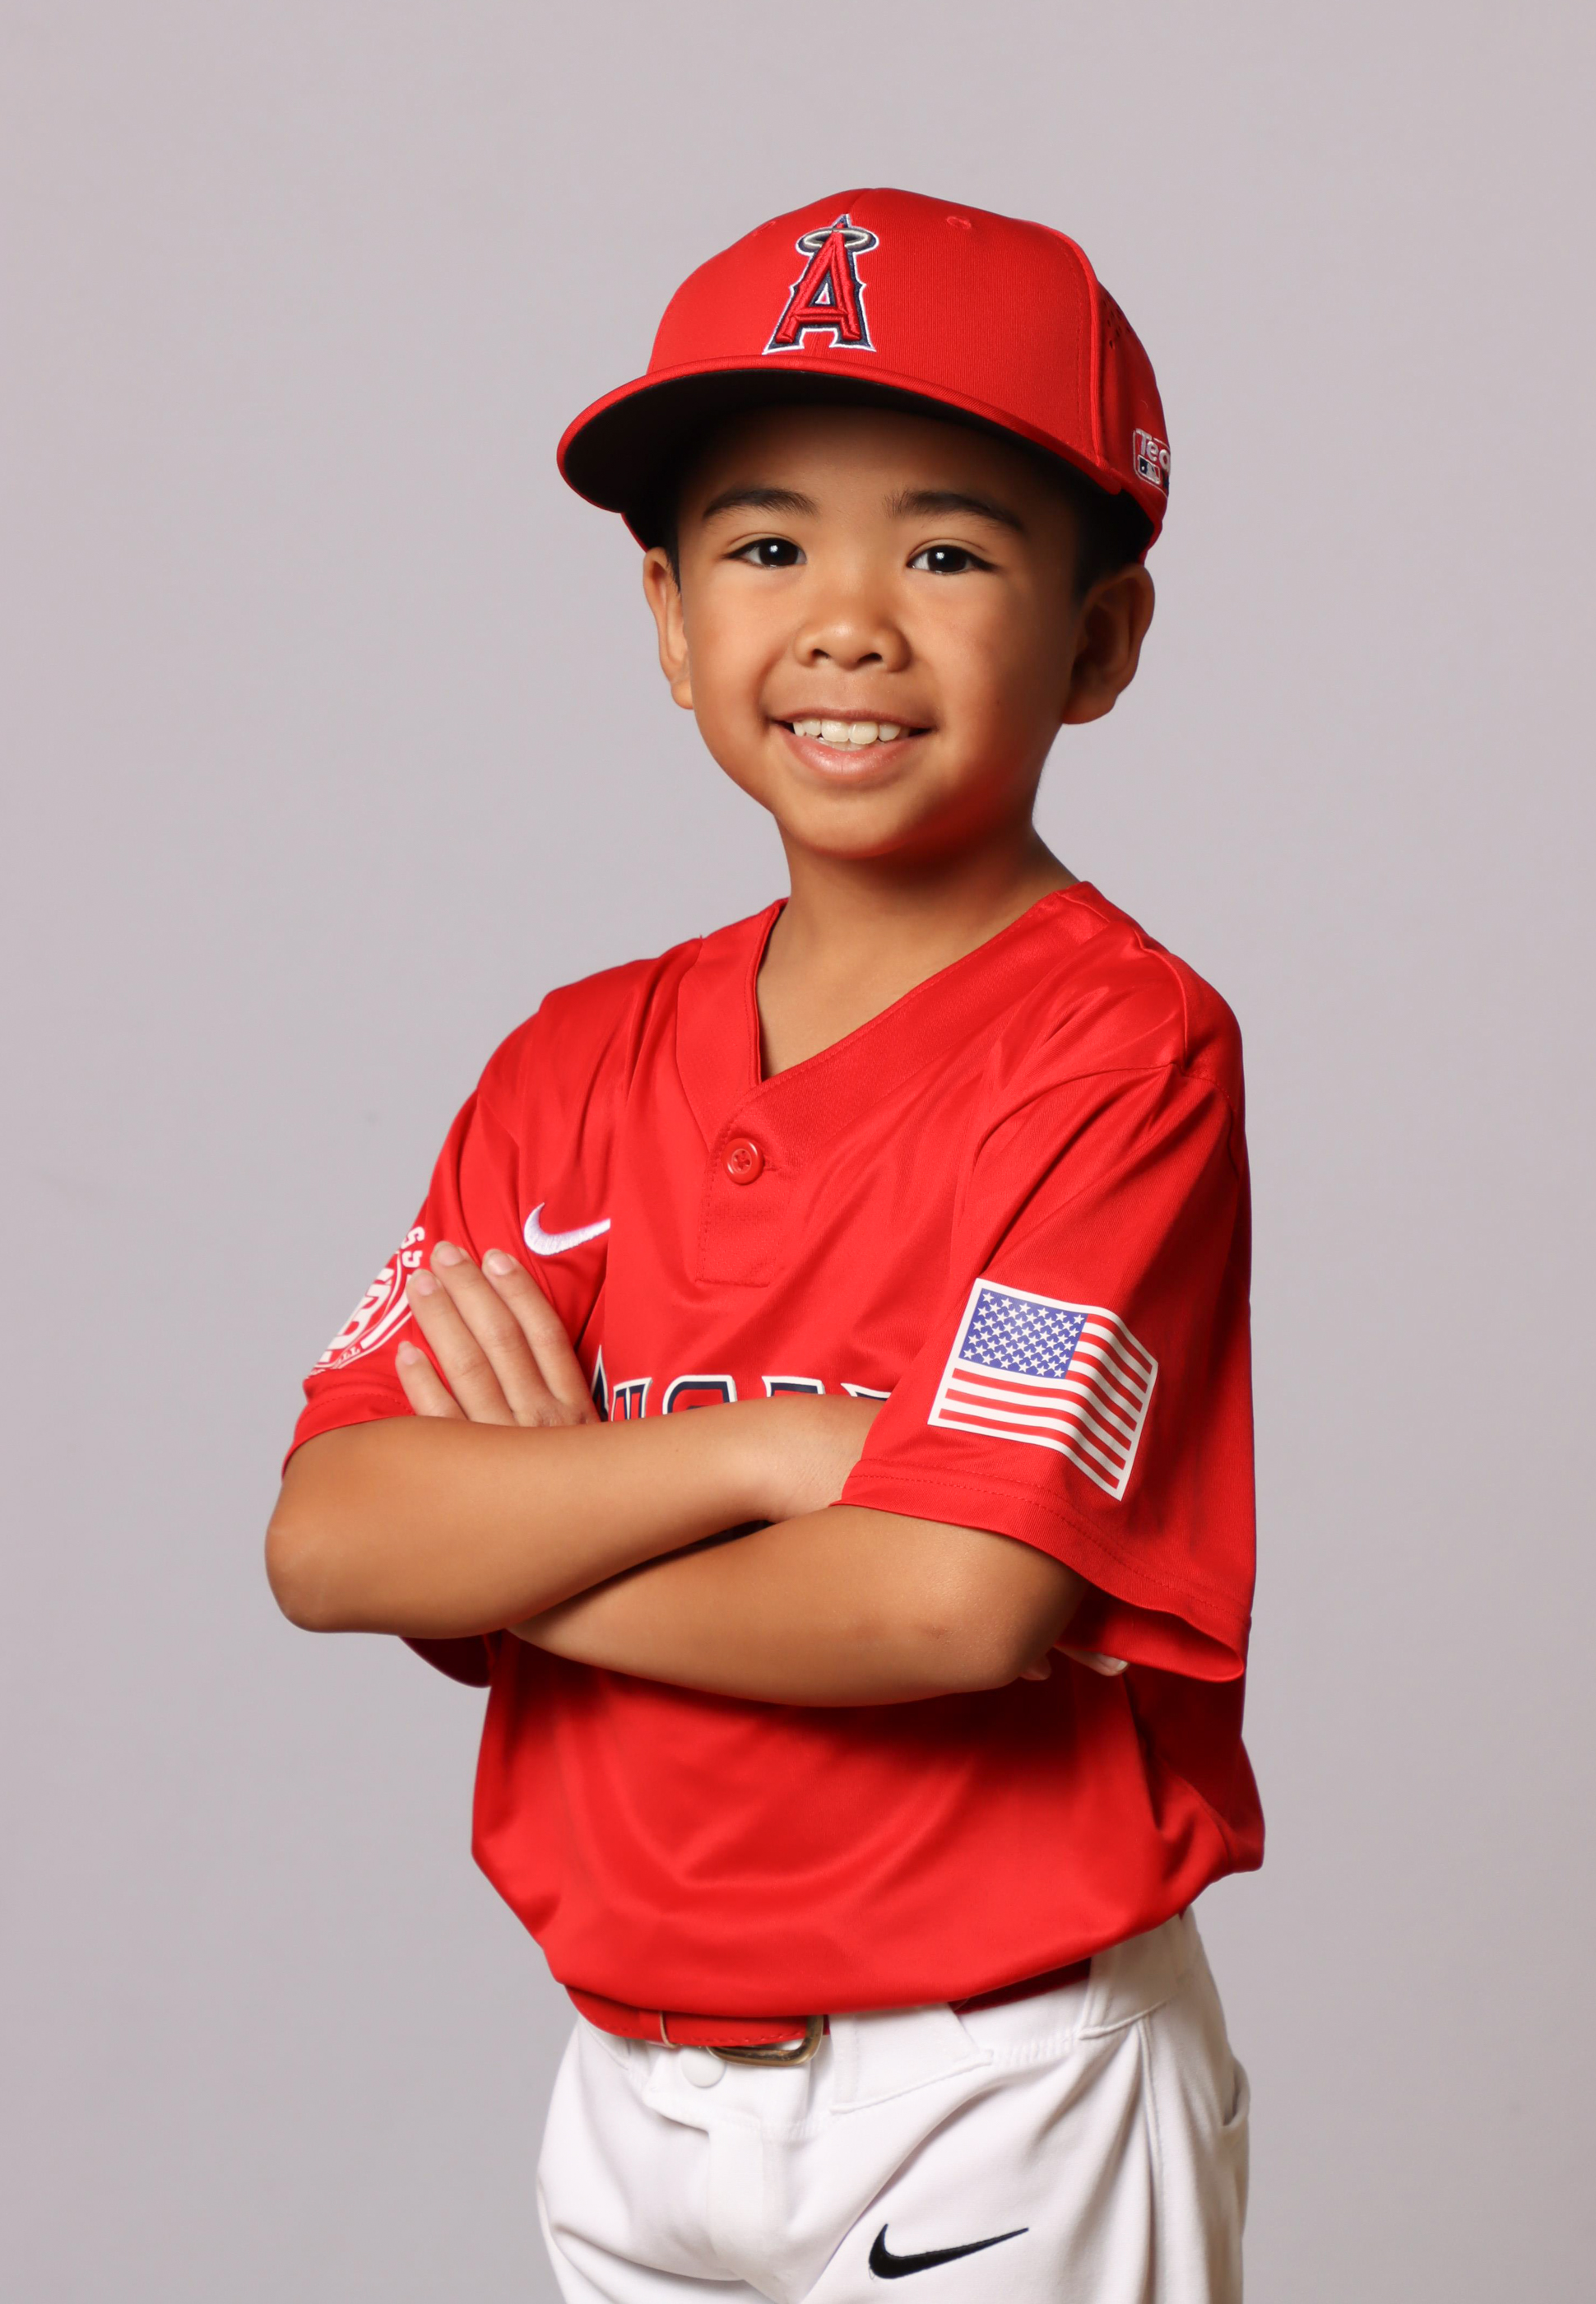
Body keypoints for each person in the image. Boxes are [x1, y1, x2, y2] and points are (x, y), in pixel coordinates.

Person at [267, 188, 1261, 2302]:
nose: (847, 621)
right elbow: (333, 1539)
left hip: (993, 2072)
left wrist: (530, 1538)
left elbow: (946, 1601)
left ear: (1099, 638)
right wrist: (765, 1452)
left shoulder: (1118, 1049)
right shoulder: (572, 1058)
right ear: (666, 613)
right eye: (764, 543)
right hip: (626, 2079)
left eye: (949, 551)